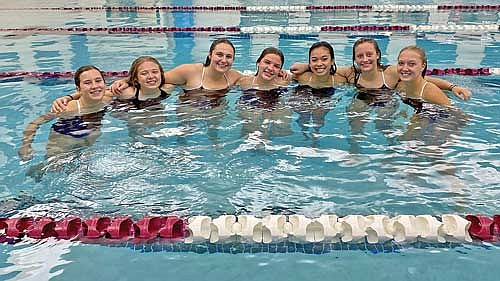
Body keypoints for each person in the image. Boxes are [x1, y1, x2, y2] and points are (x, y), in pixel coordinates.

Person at [18, 65, 112, 161]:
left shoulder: (108, 98)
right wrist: (26, 146)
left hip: (87, 142)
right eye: (87, 83)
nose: (95, 86)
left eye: (98, 80)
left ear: (104, 83)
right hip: (62, 145)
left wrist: (68, 96)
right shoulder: (67, 108)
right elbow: (35, 123)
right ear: (78, 89)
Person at [288, 42, 346, 146]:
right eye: (314, 60)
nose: (319, 63)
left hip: (327, 91)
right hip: (305, 91)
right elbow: (291, 71)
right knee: (303, 111)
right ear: (309, 63)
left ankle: (316, 133)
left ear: (332, 61)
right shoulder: (303, 77)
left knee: (319, 114)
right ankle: (304, 131)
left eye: (324, 59)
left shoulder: (338, 80)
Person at [237, 47, 292, 140]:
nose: (270, 68)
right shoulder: (244, 81)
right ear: (258, 62)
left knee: (282, 129)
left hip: (276, 100)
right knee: (251, 129)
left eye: (276, 66)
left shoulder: (284, 82)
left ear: (280, 70)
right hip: (251, 100)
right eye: (267, 62)